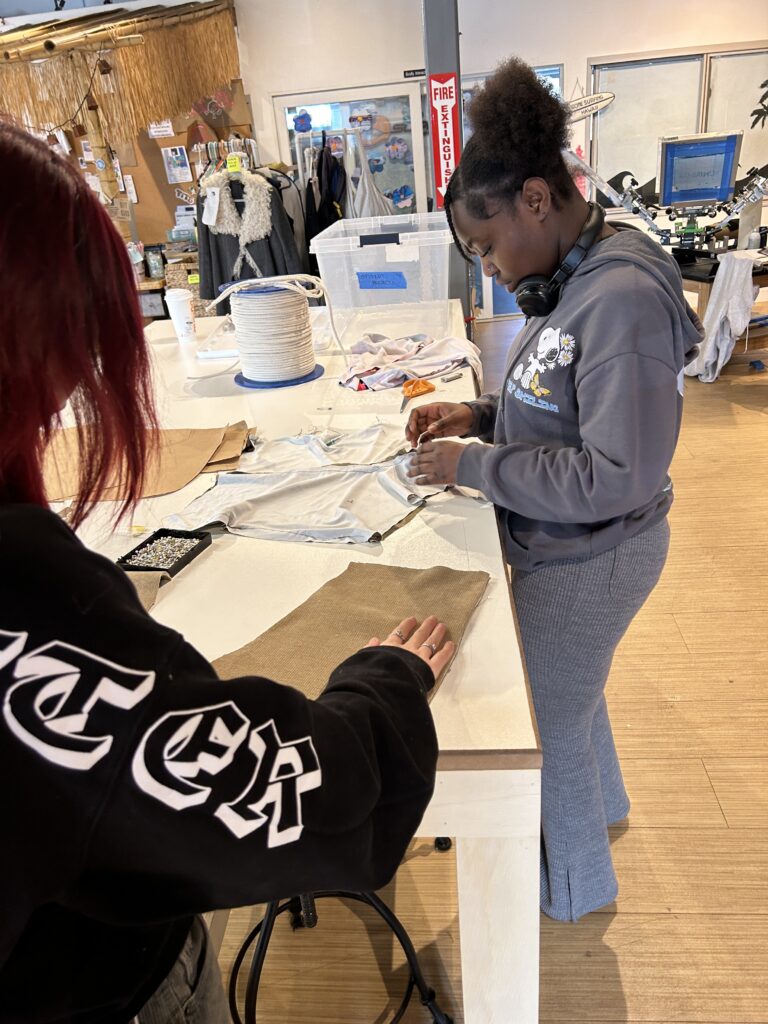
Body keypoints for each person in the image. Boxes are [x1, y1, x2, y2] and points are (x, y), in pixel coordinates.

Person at [0, 121, 453, 1023]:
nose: (79, 380)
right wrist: (383, 688)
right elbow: (279, 792)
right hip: (92, 991)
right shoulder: (25, 598)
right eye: (76, 341)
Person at [407, 58, 703, 922]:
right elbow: (556, 400)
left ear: (536, 199)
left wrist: (474, 465)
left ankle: (570, 893)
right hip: (574, 544)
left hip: (597, 552)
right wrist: (485, 411)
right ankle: (601, 816)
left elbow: (617, 472)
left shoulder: (620, 298)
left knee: (542, 718)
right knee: (571, 695)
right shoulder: (572, 273)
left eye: (490, 245)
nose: (493, 269)